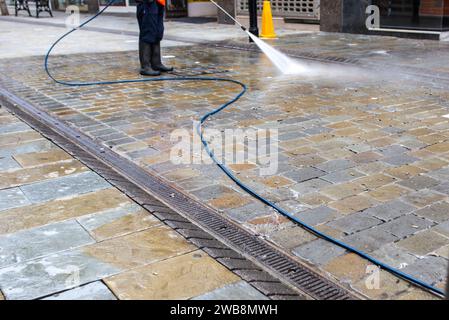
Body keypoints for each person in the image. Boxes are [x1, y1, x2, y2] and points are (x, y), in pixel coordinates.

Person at [136, 0, 173, 76]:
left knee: (157, 32)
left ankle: (156, 63)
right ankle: (145, 67)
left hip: (159, 2)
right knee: (147, 32)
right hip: (147, 3)